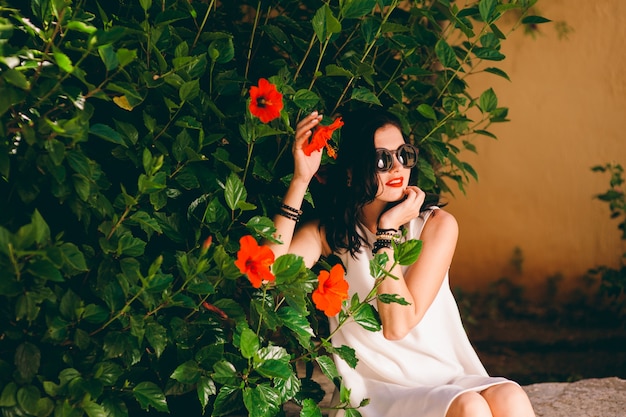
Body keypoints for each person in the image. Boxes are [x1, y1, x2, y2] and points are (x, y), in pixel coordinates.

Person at [267, 108, 536, 417]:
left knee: (509, 395)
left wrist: (390, 232)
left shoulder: (436, 225)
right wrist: (301, 180)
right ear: (352, 170)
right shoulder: (331, 235)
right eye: (382, 159)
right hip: (381, 391)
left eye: (403, 155)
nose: (397, 167)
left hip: (443, 375)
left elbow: (403, 322)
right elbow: (269, 272)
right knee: (469, 406)